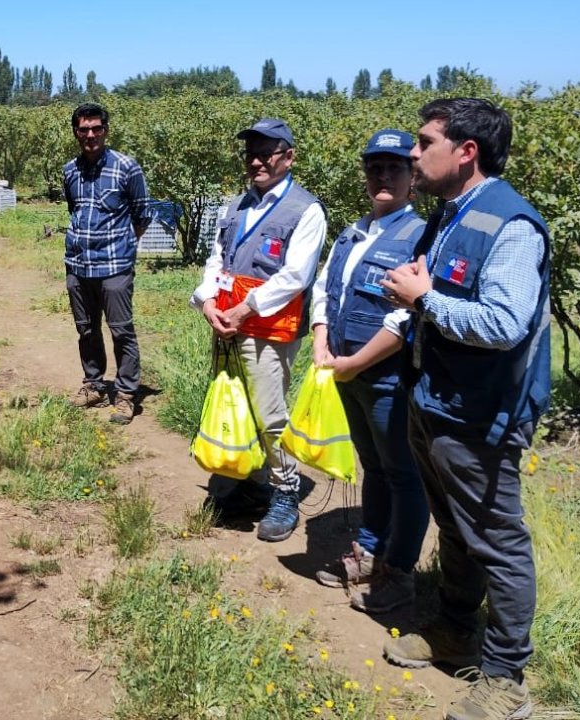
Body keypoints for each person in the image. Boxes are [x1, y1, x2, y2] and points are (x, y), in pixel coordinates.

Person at [378, 98, 550, 720]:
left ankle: (506, 678)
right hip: (436, 402)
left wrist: (424, 299)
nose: (413, 155)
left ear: (466, 151)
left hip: (482, 414)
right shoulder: (450, 215)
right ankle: (454, 631)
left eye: (424, 144)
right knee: (455, 527)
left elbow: (505, 323)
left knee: (498, 542)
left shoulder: (510, 225)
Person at [190, 117, 327, 542]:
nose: (256, 161)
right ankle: (250, 480)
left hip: (267, 327)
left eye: (266, 152)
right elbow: (218, 258)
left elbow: (295, 276)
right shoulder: (236, 205)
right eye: (251, 153)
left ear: (288, 157)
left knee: (269, 413)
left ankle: (285, 490)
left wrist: (244, 309)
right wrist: (208, 301)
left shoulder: (306, 210)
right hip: (227, 322)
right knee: (238, 403)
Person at [309, 129, 428, 613]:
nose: (383, 176)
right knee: (374, 467)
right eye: (375, 168)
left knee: (404, 474)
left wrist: (356, 362)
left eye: (394, 168)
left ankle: (399, 574)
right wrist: (321, 342)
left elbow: (408, 316)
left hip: (383, 377)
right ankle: (370, 551)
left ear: (412, 178)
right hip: (345, 372)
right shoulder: (353, 231)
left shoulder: (421, 235)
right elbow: (324, 288)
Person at [60, 103, 150, 425]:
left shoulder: (127, 167)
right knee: (86, 329)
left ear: (106, 130)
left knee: (121, 330)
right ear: (76, 132)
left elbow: (142, 214)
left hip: (114, 267)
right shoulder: (70, 170)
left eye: (96, 128)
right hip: (78, 265)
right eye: (84, 129)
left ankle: (126, 395)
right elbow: (75, 210)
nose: (90, 135)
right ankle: (94, 384)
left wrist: (122, 247)